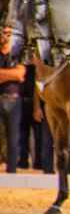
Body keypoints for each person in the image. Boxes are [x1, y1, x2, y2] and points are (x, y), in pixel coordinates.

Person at [1, 27, 26, 173]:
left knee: (13, 137)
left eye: (10, 34)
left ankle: (12, 169)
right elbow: (16, 74)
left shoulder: (17, 55)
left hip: (14, 100)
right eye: (4, 33)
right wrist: (12, 74)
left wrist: (5, 74)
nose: (6, 36)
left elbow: (20, 75)